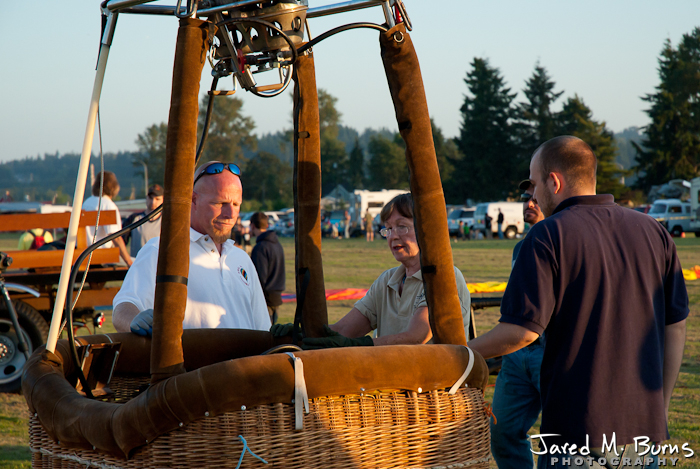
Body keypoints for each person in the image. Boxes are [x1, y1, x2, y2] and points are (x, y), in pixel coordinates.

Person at [468, 136, 688, 468]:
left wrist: (461, 352)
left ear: (554, 181)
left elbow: (522, 331)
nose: (534, 195)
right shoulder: (654, 232)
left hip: (578, 434)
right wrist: (662, 403)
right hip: (644, 434)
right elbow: (676, 327)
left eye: (535, 183)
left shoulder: (547, 236)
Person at [112, 161, 271, 335]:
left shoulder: (241, 259)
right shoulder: (161, 251)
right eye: (220, 203)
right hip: (192, 363)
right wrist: (134, 319)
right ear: (193, 199)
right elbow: (122, 308)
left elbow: (262, 328)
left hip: (245, 362)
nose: (230, 214)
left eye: (235, 204)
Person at [299, 193, 471, 348]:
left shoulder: (445, 277)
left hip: (435, 381)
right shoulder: (387, 280)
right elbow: (343, 330)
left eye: (402, 226)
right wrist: (303, 333)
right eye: (388, 229)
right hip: (388, 378)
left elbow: (416, 337)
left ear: (426, 229)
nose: (393, 236)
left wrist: (361, 345)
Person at [490, 179, 545, 469]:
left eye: (535, 198)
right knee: (502, 432)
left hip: (552, 354)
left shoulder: (564, 245)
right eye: (525, 198)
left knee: (561, 441)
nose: (529, 204)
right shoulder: (519, 248)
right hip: (516, 355)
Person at [81, 171, 132, 266]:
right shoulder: (108, 205)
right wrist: (129, 262)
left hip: (83, 255)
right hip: (102, 256)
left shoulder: (86, 203)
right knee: (139, 262)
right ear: (114, 188)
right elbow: (116, 238)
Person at [250, 212, 285, 325]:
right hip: (276, 297)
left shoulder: (260, 248)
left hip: (265, 300)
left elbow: (259, 278)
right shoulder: (277, 244)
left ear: (253, 226)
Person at [122, 184, 164, 260]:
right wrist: (128, 262)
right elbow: (120, 242)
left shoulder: (166, 221)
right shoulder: (134, 219)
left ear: (163, 200)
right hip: (138, 266)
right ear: (146, 198)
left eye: (157, 199)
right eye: (150, 198)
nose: (153, 202)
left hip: (158, 266)